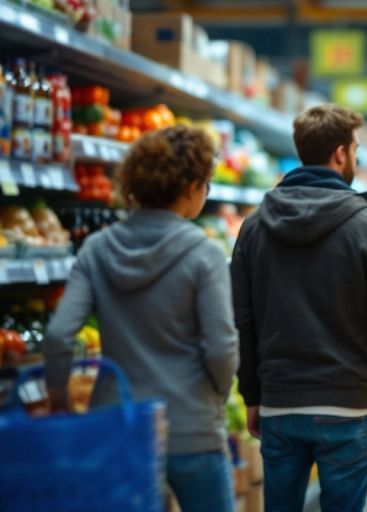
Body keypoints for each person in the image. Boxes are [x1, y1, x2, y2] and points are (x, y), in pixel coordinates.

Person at [44, 126, 240, 512]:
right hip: (191, 428)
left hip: (117, 425)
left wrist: (58, 398)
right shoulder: (205, 254)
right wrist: (214, 395)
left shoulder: (97, 249)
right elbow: (221, 347)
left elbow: (58, 335)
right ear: (189, 188)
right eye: (207, 185)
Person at [231, 105, 367, 512]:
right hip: (346, 400)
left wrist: (252, 393)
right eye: (356, 149)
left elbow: (241, 321)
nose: (357, 158)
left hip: (279, 399)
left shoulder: (254, 227)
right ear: (339, 154)